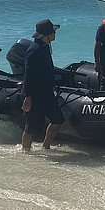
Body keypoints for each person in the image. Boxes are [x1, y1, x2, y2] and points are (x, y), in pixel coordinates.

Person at [21, 19, 65, 151]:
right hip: (35, 96)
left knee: (57, 120)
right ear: (46, 34)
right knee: (31, 128)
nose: (55, 34)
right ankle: (25, 151)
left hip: (47, 94)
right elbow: (29, 75)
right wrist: (28, 98)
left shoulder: (45, 46)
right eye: (53, 32)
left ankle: (46, 146)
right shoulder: (34, 51)